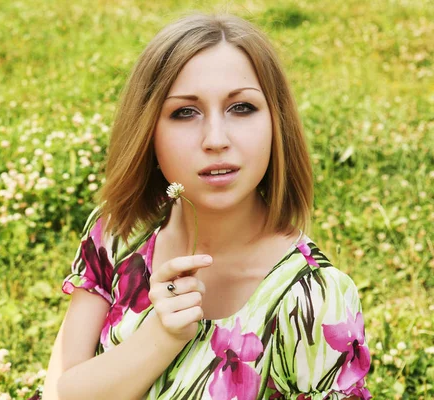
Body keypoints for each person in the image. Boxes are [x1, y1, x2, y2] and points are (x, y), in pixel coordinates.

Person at [37, 13, 371, 400]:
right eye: (184, 112)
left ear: (276, 124)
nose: (216, 139)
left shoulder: (313, 299)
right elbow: (60, 392)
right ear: (148, 131)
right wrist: (161, 336)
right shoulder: (119, 232)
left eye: (242, 107)